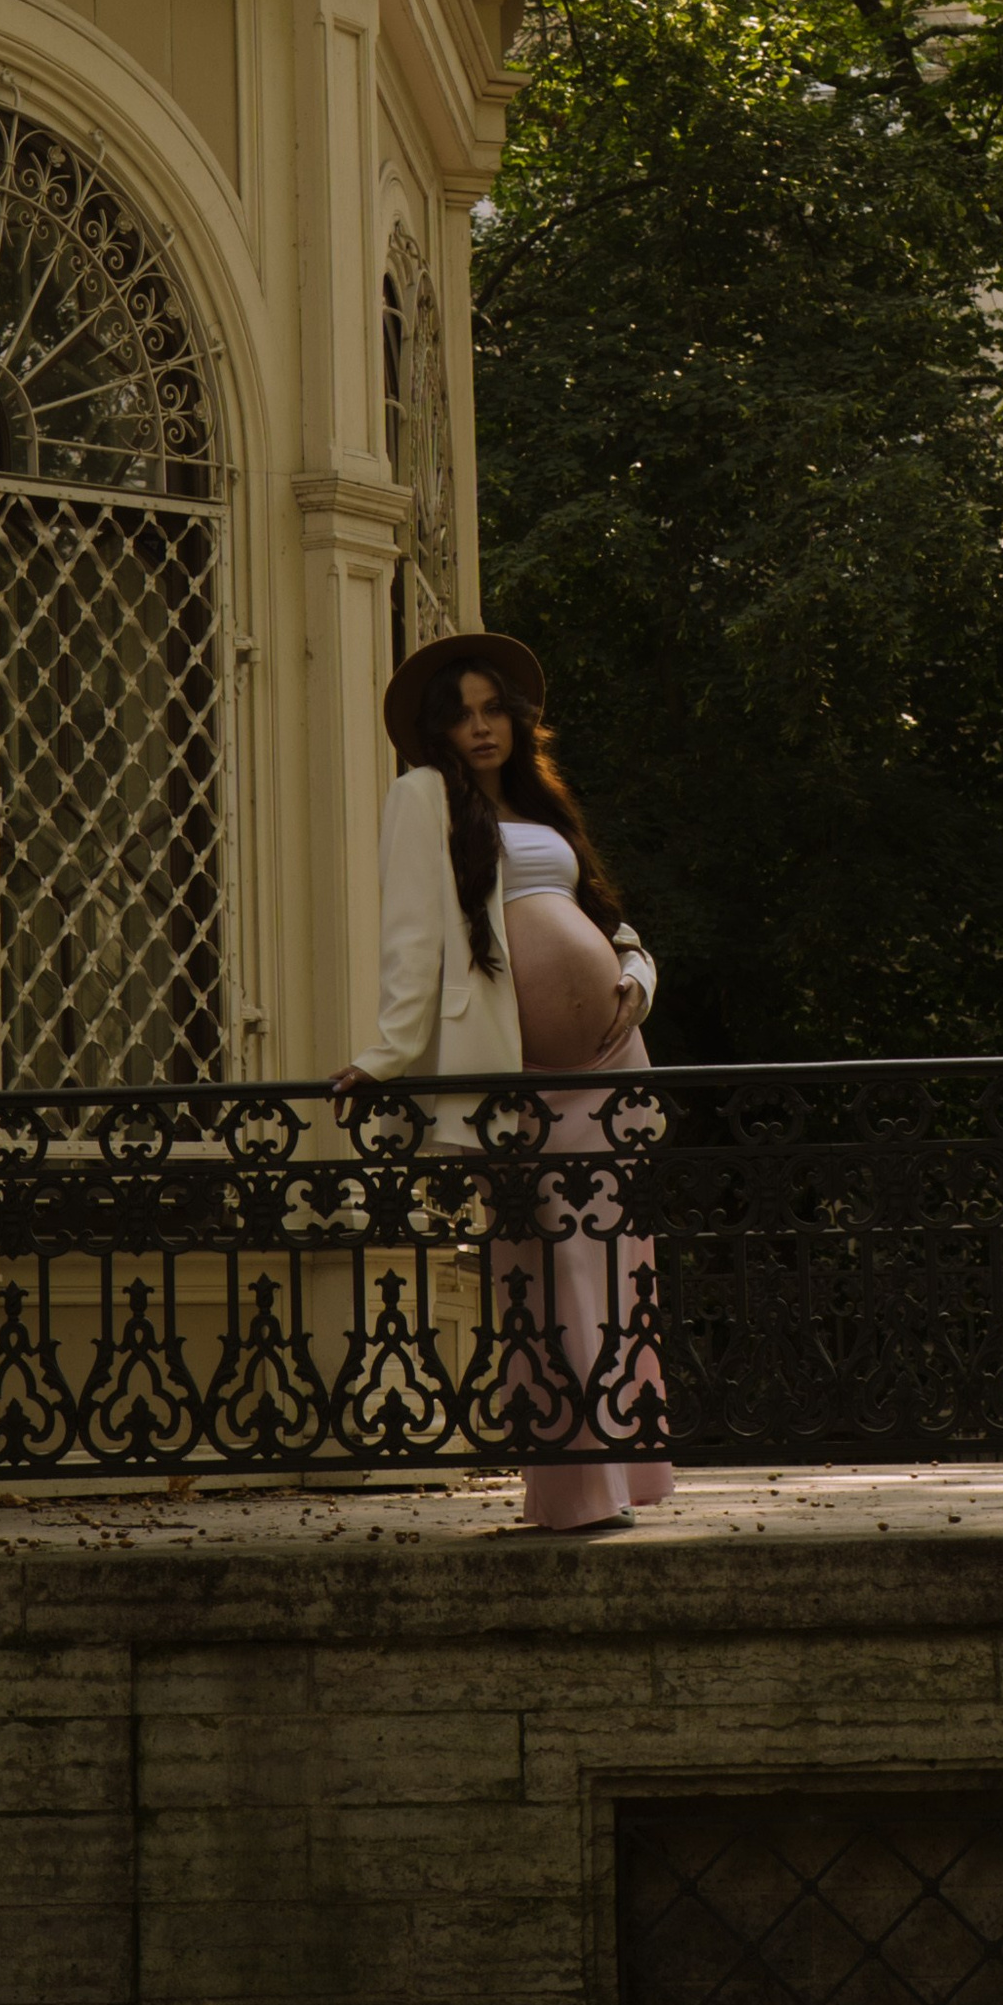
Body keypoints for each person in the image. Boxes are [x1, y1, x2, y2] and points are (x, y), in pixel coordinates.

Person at [336, 633, 678, 1535]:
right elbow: (411, 935)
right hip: (518, 1079)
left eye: (494, 710)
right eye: (463, 713)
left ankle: (622, 1482)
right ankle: (568, 1492)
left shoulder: (541, 804)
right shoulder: (422, 800)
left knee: (613, 1264)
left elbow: (610, 919)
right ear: (436, 729)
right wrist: (385, 1055)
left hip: (607, 1067)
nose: (481, 727)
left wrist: (636, 981)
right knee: (541, 1268)